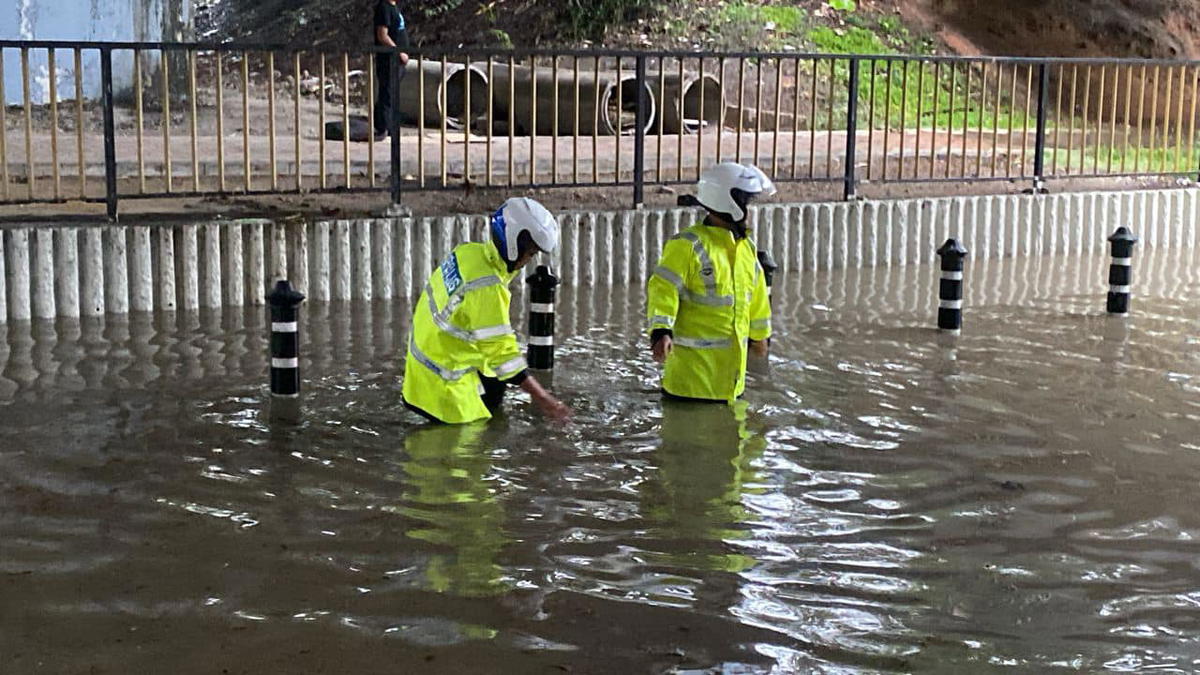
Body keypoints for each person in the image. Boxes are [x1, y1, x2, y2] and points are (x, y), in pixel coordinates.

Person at [402, 197, 571, 424]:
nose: (528, 260)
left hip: (421, 368)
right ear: (514, 243)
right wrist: (545, 399)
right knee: (476, 451)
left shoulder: (469, 253)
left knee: (495, 383)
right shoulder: (487, 287)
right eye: (530, 252)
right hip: (443, 392)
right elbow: (503, 354)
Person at [646, 162, 776, 403]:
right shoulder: (688, 245)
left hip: (731, 387)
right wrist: (661, 331)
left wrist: (760, 337)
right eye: (747, 204)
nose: (750, 211)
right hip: (689, 386)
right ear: (731, 204)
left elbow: (756, 303)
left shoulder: (747, 249)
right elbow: (663, 288)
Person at [373, 0, 410, 139]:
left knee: (392, 93)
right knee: (387, 93)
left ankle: (389, 126)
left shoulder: (394, 8)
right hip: (388, 60)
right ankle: (382, 128)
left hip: (397, 61)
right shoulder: (384, 7)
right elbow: (382, 35)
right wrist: (398, 51)